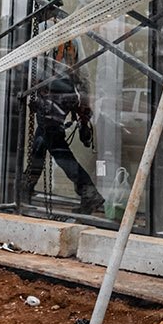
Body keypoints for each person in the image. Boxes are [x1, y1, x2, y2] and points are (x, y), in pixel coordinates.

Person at [19, 42, 102, 215]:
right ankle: (26, 186)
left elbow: (37, 70)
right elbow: (83, 74)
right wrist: (84, 103)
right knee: (42, 141)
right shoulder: (73, 40)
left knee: (55, 144)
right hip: (65, 94)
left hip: (52, 95)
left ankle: (88, 190)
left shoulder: (45, 32)